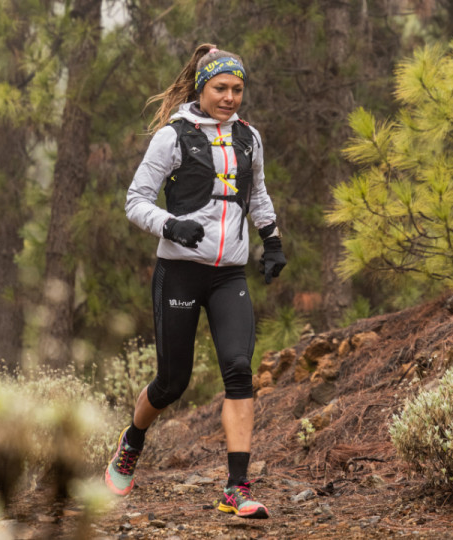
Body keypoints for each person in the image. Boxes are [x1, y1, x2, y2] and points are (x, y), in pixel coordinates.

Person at [104, 43, 286, 520]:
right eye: (221, 88)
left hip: (229, 275)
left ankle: (237, 487)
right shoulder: (173, 137)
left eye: (237, 89)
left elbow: (258, 194)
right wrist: (170, 225)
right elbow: (135, 199)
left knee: (239, 370)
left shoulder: (250, 138)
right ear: (202, 88)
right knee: (172, 382)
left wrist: (272, 240)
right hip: (180, 272)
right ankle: (132, 441)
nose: (230, 98)